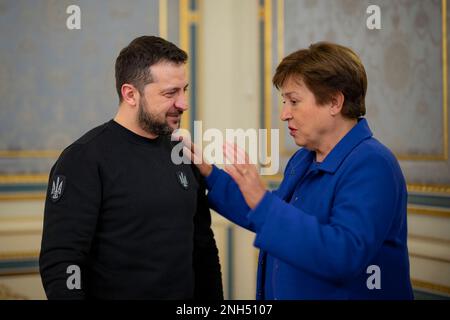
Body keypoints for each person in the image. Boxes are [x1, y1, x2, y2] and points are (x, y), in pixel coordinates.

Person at [185, 42, 413, 299]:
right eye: (285, 101)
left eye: (293, 101)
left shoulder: (373, 165)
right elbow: (268, 213)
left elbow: (343, 255)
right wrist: (209, 173)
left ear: (334, 102)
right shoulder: (304, 158)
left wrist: (262, 202)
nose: (284, 114)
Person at [39, 36, 223, 300]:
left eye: (184, 90)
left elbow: (203, 247)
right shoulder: (83, 159)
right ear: (130, 94)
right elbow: (62, 261)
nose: (183, 103)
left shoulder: (180, 153)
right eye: (170, 93)